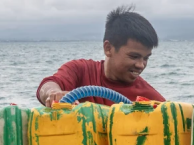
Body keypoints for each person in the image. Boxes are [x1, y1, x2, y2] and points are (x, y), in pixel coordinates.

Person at [37, 6, 165, 107]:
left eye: (146, 58)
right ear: (108, 48)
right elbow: (48, 85)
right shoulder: (80, 70)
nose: (141, 65)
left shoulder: (151, 99)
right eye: (134, 56)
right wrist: (53, 94)